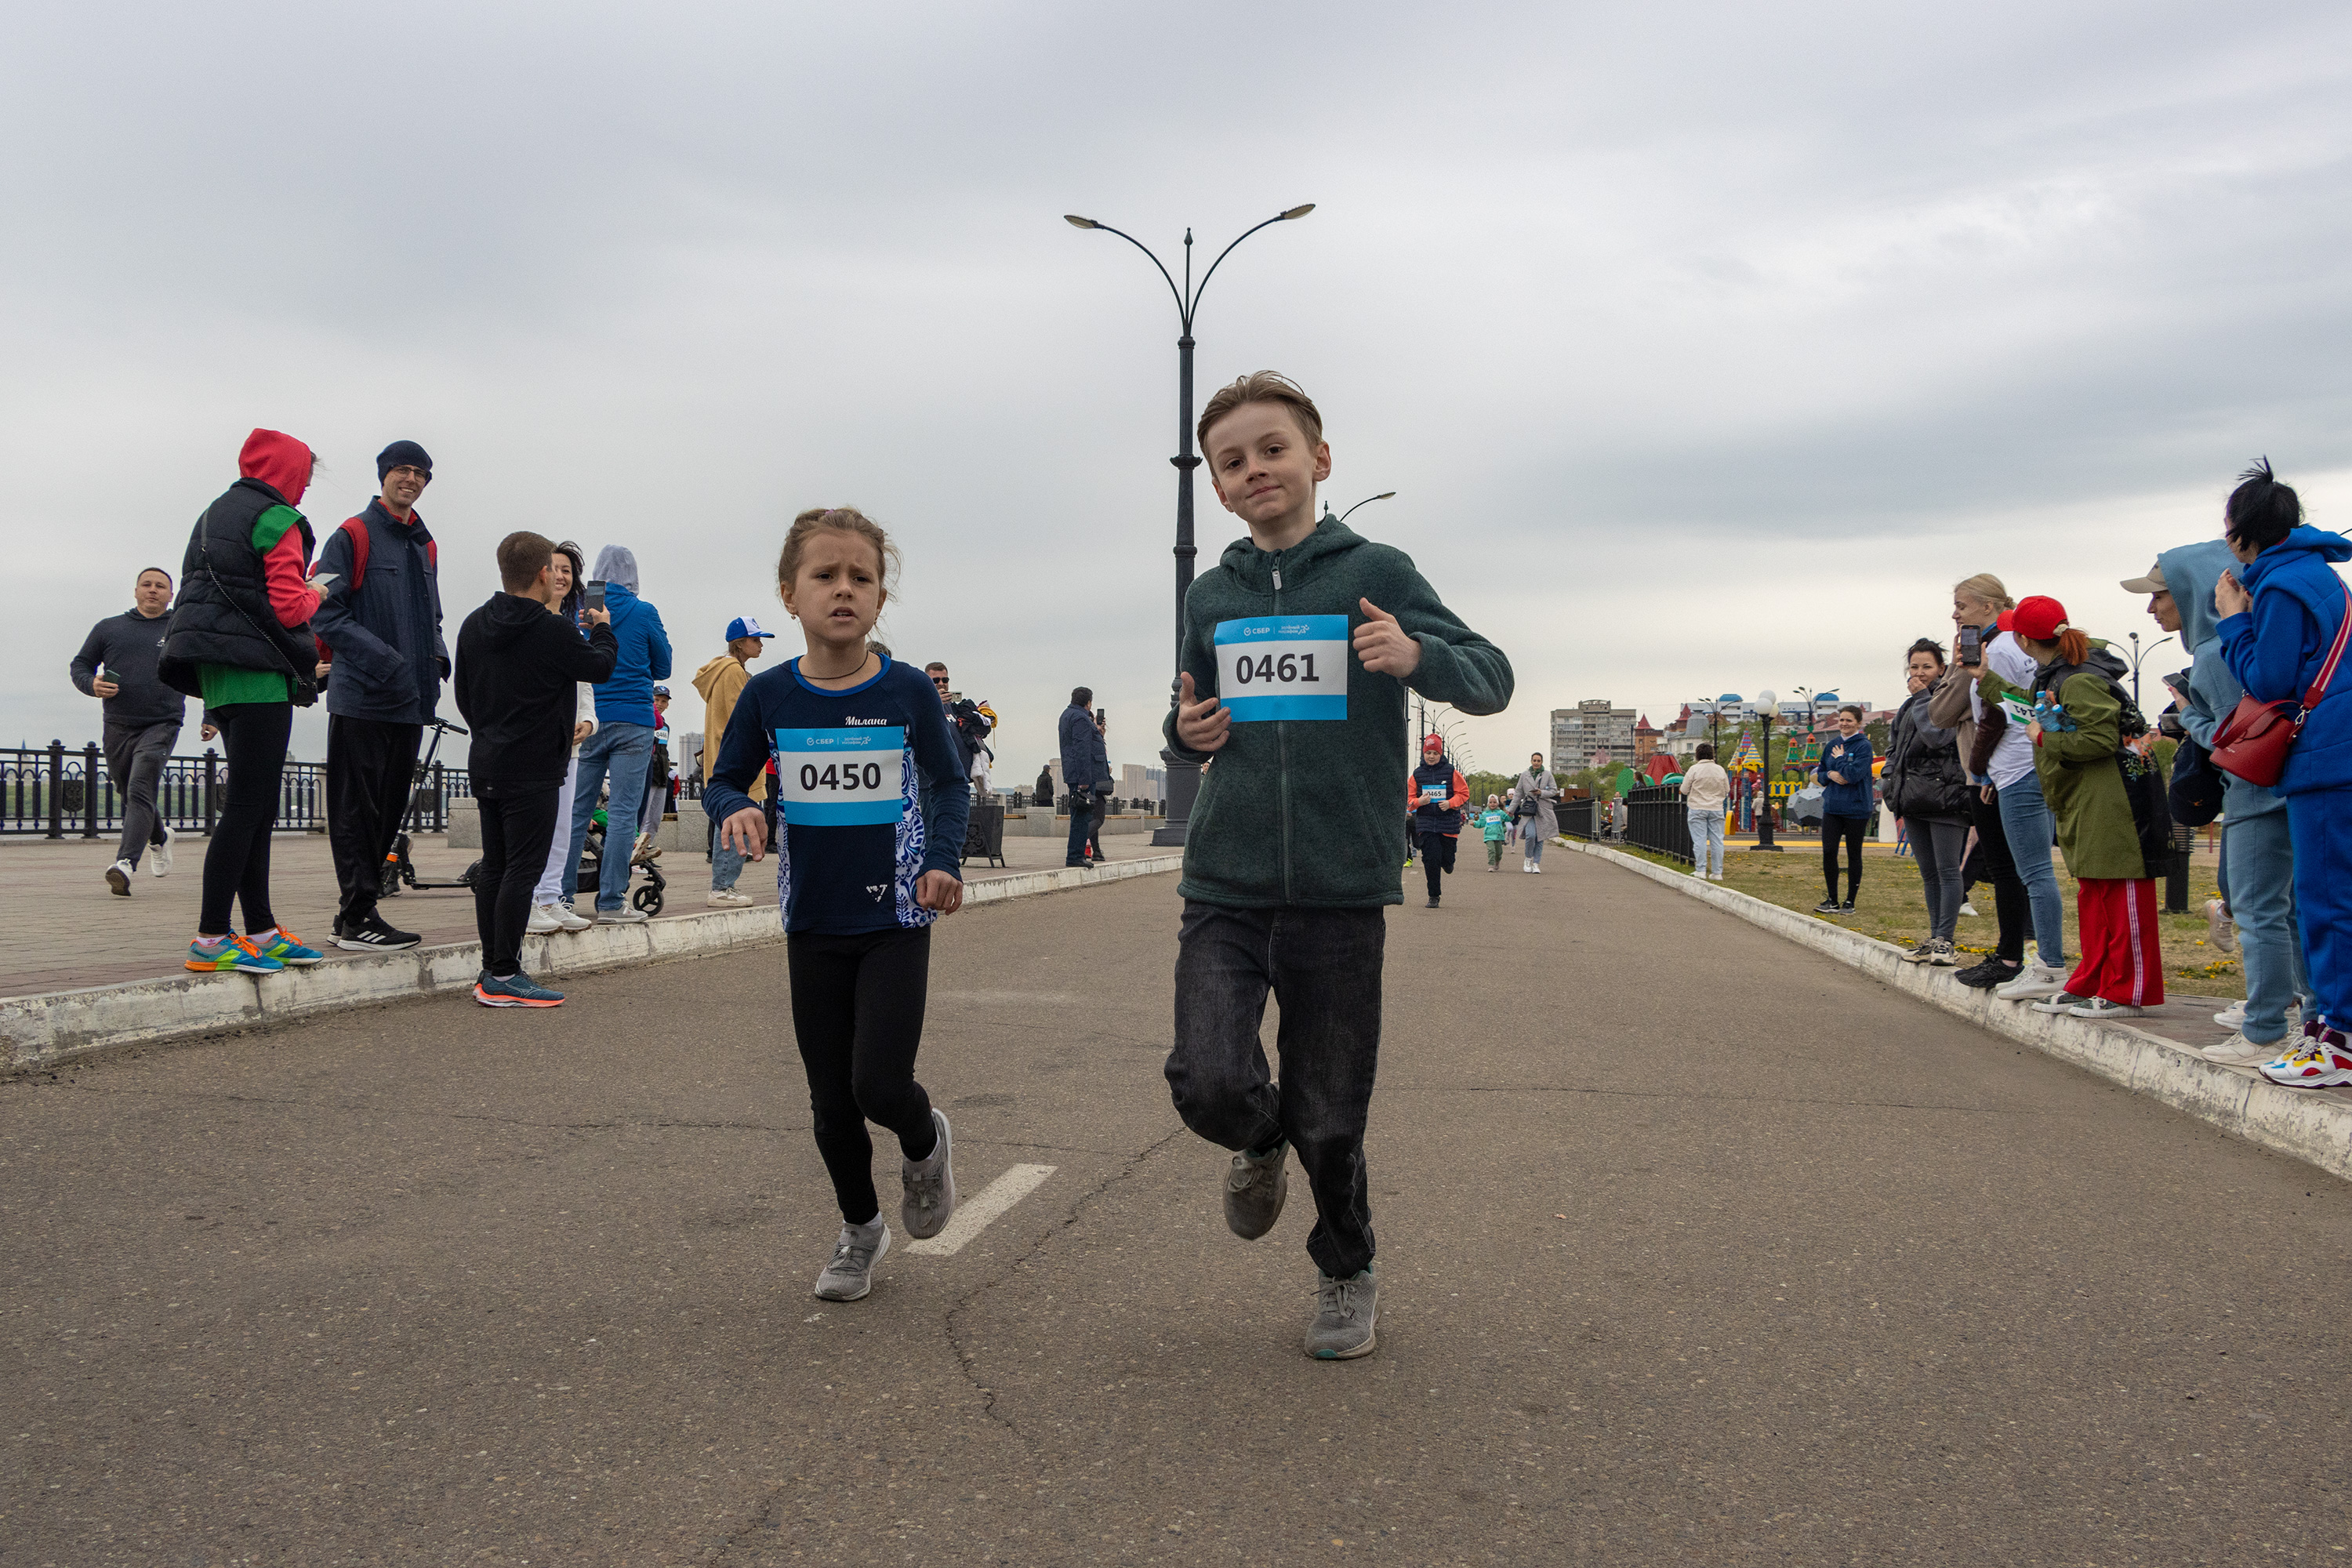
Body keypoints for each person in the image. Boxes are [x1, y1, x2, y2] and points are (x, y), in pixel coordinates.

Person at [1163, 371, 1512, 1359]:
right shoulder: (1212, 593)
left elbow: (1492, 673)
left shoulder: (1380, 571)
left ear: (1319, 459)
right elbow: (1189, 716)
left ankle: (1346, 1264)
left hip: (1340, 887)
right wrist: (1183, 732)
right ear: (1220, 489)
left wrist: (1416, 657)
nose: (1254, 469)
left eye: (1272, 448)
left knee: (1331, 1113)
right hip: (1225, 881)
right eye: (1233, 461)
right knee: (1209, 1079)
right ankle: (1255, 1137)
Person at [700, 506, 970, 1301]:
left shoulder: (909, 689)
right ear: (790, 594)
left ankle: (925, 1146)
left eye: (861, 577)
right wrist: (734, 809)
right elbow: (724, 776)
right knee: (829, 1099)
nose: (843, 590)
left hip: (896, 915)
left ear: (881, 597)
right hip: (812, 917)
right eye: (825, 576)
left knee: (879, 1083)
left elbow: (950, 781)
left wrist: (945, 861)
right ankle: (861, 1229)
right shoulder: (773, 694)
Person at [156, 429, 329, 975]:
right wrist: (320, 591)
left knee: (254, 807)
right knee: (248, 809)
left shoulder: (213, 513)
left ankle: (262, 929)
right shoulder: (278, 520)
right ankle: (211, 936)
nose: (303, 487)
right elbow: (287, 606)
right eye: (304, 475)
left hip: (218, 674)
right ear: (290, 473)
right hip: (258, 674)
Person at [2142, 546, 2312, 1065]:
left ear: (2194, 591)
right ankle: (2312, 1021)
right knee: (2295, 915)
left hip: (2253, 798)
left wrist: (2188, 716)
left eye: (2159, 594)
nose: (2152, 609)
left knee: (2259, 912)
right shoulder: (2262, 636)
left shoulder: (2215, 653)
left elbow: (2227, 737)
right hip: (2294, 788)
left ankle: (2262, 1031)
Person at [2212, 461, 2352, 1083]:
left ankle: (2338, 1041)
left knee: (2325, 902)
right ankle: (2327, 1030)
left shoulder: (2279, 586)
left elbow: (2268, 681)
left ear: (2242, 532)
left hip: (2325, 759)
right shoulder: (2318, 576)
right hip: (2340, 748)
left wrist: (2233, 620)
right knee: (2325, 899)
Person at [453, 532, 619, 1006]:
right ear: (544, 574)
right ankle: (504, 973)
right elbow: (601, 667)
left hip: (486, 760)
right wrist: (603, 627)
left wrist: (491, 733)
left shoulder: (473, 624)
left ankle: (492, 969)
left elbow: (464, 695)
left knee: (496, 866)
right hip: (534, 769)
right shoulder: (552, 629)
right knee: (522, 870)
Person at [1981, 596, 2165, 1019]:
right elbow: (2027, 708)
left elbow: (2099, 740)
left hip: (2115, 800)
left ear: (2024, 640)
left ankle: (2126, 992)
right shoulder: (2057, 674)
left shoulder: (2078, 679)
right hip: (2086, 798)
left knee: (2121, 896)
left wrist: (2043, 739)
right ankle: (2093, 980)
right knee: (2095, 894)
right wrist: (1984, 678)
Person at [310, 439, 445, 954]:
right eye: (401, 471)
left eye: (419, 473)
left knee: (388, 813)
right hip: (362, 696)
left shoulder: (425, 545)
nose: (410, 479)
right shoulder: (352, 534)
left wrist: (437, 656)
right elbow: (322, 610)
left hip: (411, 699)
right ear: (384, 476)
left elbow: (431, 614)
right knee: (354, 812)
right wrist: (383, 658)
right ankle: (357, 916)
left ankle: (352, 916)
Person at [562, 546, 672, 924]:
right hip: (634, 721)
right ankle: (610, 903)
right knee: (625, 814)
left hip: (588, 718)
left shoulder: (581, 608)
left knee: (577, 811)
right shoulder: (644, 612)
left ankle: (561, 897)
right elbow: (665, 664)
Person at [1932, 575, 2031, 991]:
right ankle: (2014, 952)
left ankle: (2012, 957)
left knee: (2013, 869)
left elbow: (1951, 713)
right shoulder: (2012, 645)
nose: (1955, 614)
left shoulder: (1997, 651)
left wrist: (1984, 768)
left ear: (1989, 607)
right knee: (2016, 868)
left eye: (1962, 605)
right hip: (2001, 769)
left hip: (1998, 771)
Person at [71, 567, 186, 894]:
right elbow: (80, 665)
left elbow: (205, 669)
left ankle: (125, 864)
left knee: (140, 786)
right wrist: (90, 684)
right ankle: (160, 837)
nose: (153, 590)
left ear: (170, 594)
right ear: (135, 591)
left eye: (160, 586)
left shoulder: (180, 627)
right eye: (146, 585)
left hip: (162, 722)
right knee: (130, 792)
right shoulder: (109, 629)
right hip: (118, 724)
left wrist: (212, 716)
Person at [524, 541, 598, 934]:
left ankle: (551, 898)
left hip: (569, 746)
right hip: (535, 745)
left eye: (568, 570)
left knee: (564, 826)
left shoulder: (571, 630)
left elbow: (584, 689)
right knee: (539, 823)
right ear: (538, 573)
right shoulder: (527, 622)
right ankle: (531, 899)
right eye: (554, 568)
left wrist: (587, 723)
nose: (561, 576)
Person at [1883, 639, 1970, 965]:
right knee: (1929, 873)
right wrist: (1891, 779)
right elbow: (1896, 748)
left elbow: (1938, 736)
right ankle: (1934, 937)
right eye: (1914, 667)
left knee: (1948, 870)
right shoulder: (1908, 706)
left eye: (1927, 667)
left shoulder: (1946, 699)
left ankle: (1946, 941)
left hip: (1947, 796)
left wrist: (1922, 696)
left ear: (1942, 669)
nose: (1919, 674)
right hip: (1914, 797)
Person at [692, 615, 775, 907]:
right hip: (735, 757)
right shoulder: (732, 672)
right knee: (736, 817)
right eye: (755, 640)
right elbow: (739, 720)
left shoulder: (720, 670)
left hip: (719, 753)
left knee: (727, 818)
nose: (761, 645)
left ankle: (723, 885)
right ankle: (722, 887)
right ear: (739, 643)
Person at [1813, 706, 1875, 913]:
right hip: (1832, 807)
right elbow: (1820, 771)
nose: (1844, 724)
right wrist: (1828, 775)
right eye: (1841, 720)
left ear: (1858, 723)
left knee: (1853, 854)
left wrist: (1840, 760)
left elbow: (1854, 775)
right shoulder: (1832, 744)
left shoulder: (1864, 746)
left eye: (1849, 720)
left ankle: (1850, 901)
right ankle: (1832, 899)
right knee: (1829, 851)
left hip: (1856, 808)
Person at [1408, 733, 1469, 907]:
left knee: (1446, 859)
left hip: (1447, 823)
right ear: (1423, 754)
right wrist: (1419, 802)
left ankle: (1448, 863)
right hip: (1426, 823)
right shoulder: (1417, 775)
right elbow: (1409, 800)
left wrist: (1450, 803)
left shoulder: (1451, 772)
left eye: (1435, 753)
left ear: (1441, 754)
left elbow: (1464, 793)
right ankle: (1434, 896)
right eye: (1428, 753)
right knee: (1430, 858)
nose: (1432, 756)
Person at [1058, 686, 1106, 867]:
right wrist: (1085, 781)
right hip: (1083, 777)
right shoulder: (1080, 718)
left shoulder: (1067, 715)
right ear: (1089, 702)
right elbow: (1082, 750)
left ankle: (1076, 855)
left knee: (1079, 814)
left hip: (1076, 774)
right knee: (1082, 816)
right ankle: (1075, 857)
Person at [633, 684, 673, 865]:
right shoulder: (644, 719)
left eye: (663, 701)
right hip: (646, 775)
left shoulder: (665, 726)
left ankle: (646, 853)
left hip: (662, 777)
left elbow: (663, 751)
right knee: (642, 817)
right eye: (656, 700)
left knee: (655, 819)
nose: (660, 704)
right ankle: (633, 852)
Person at [1679, 742, 1730, 880]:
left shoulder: (1694, 769)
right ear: (1712, 754)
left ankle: (1701, 870)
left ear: (1697, 755)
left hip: (1697, 808)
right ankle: (1717, 873)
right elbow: (1727, 790)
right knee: (1717, 841)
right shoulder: (1720, 770)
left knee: (1699, 840)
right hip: (1716, 809)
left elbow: (1684, 790)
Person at [1511, 752, 1559, 872]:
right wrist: (1511, 810)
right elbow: (1518, 793)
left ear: (1542, 762)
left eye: (1538, 761)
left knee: (1540, 837)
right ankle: (1528, 859)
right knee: (1531, 835)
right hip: (1529, 808)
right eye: (1534, 760)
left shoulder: (1547, 774)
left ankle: (1536, 863)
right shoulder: (1525, 775)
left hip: (1543, 809)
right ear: (1531, 761)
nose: (1536, 763)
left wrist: (1541, 793)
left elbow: (1554, 790)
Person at [1478, 793, 1511, 870]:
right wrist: (1475, 824)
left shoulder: (1500, 813)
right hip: (1489, 836)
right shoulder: (1485, 814)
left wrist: (1511, 815)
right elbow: (1481, 823)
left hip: (1498, 835)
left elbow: (1508, 819)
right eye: (1491, 802)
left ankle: (1497, 862)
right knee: (1491, 850)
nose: (1492, 804)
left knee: (1499, 853)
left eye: (1494, 802)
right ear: (1488, 804)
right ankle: (1491, 865)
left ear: (1498, 803)